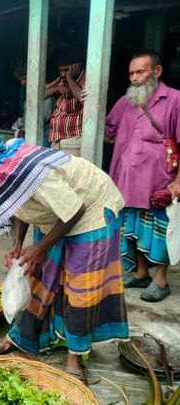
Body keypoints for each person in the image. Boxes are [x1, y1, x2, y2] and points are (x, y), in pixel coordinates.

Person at [0, 133, 129, 384]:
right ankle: (22, 336)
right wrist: (19, 244)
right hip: (57, 215)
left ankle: (75, 357)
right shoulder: (5, 170)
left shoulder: (33, 172)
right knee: (38, 277)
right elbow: (20, 202)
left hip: (92, 211)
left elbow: (75, 210)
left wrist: (40, 248)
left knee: (80, 289)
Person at [106, 51, 180, 302]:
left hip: (157, 180)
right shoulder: (125, 102)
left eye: (141, 72)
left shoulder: (174, 100)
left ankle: (160, 280)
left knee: (159, 231)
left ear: (157, 72)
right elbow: (106, 131)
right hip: (125, 179)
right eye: (131, 73)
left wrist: (178, 182)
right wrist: (88, 103)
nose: (135, 78)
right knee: (131, 229)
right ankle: (140, 274)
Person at [47, 49, 85, 155]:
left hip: (73, 139)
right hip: (57, 138)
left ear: (76, 66)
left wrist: (69, 78)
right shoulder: (61, 79)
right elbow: (40, 94)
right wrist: (57, 89)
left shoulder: (86, 79)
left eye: (66, 70)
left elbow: (83, 98)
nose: (63, 74)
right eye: (60, 71)